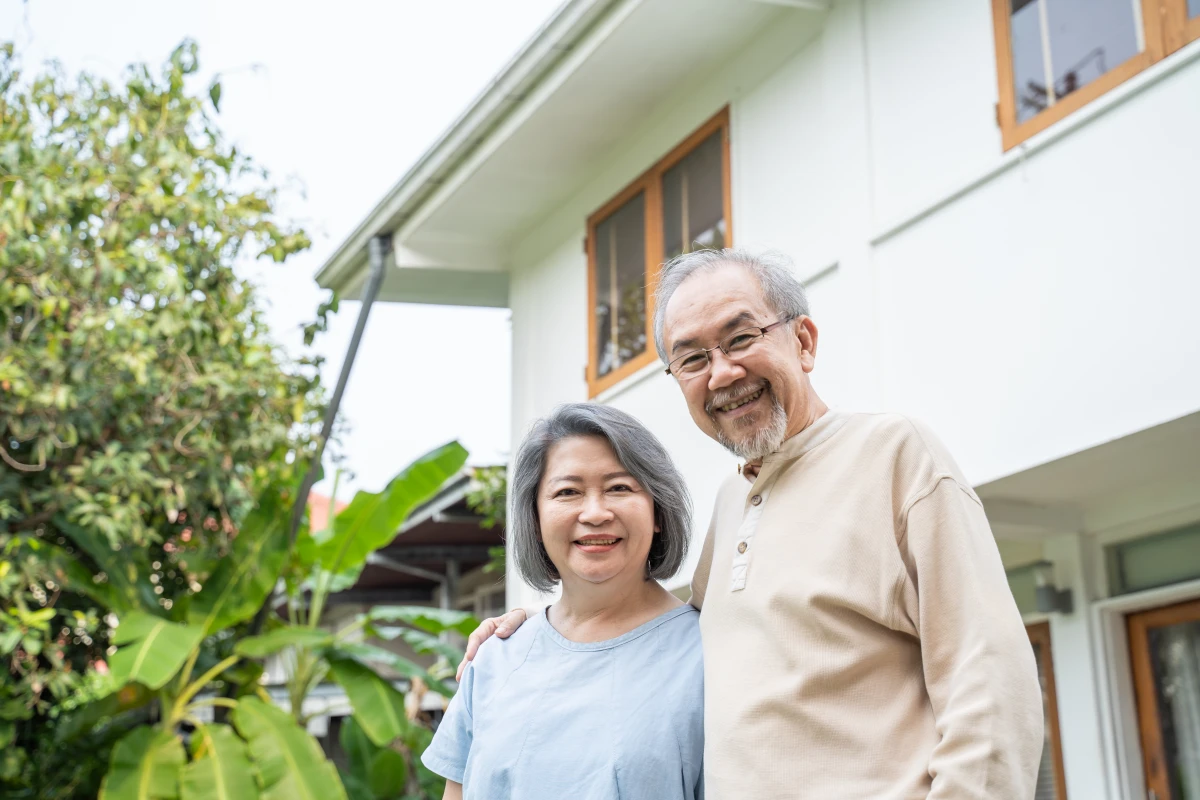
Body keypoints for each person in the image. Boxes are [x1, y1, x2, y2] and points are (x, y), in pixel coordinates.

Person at [458, 249, 1044, 799]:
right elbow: (664, 629)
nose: (721, 373)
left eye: (740, 338)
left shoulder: (894, 455)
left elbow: (989, 687)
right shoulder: (734, 501)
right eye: (692, 359)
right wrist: (544, 629)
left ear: (804, 341)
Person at [423, 402, 703, 800]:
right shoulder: (495, 659)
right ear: (534, 520)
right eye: (567, 492)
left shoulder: (710, 655)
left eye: (619, 487)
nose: (594, 512)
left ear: (658, 511)